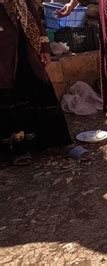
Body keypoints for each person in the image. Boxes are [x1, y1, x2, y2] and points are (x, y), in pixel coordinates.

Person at [0, 0, 73, 165]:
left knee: (38, 88)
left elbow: (33, 15)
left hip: (26, 47)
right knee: (8, 96)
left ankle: (57, 141)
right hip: (3, 53)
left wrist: (45, 47)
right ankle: (17, 150)